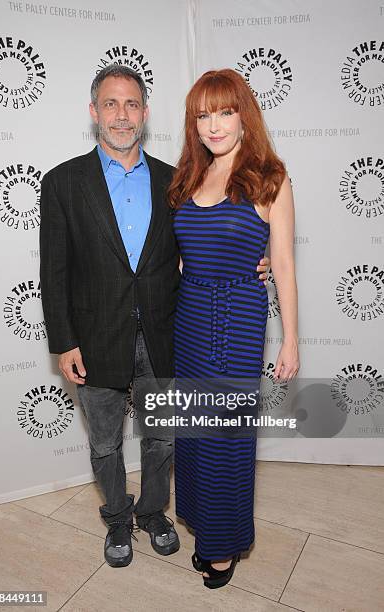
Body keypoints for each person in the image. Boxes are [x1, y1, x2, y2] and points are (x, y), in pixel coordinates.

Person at [39, 63, 272, 568]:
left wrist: (259, 253)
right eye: (110, 104)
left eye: (131, 105)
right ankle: (118, 520)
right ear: (93, 111)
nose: (121, 116)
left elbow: (202, 243)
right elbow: (53, 271)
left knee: (162, 436)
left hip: (168, 334)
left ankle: (152, 512)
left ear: (145, 113)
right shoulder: (62, 182)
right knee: (104, 443)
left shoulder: (177, 180)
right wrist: (64, 340)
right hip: (95, 337)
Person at [168, 68, 300, 589]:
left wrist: (291, 339)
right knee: (194, 434)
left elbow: (284, 264)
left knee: (225, 439)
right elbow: (184, 251)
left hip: (237, 323)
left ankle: (222, 548)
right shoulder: (188, 176)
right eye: (203, 115)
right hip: (190, 320)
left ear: (245, 116)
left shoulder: (270, 177)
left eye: (225, 112)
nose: (214, 125)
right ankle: (204, 527)